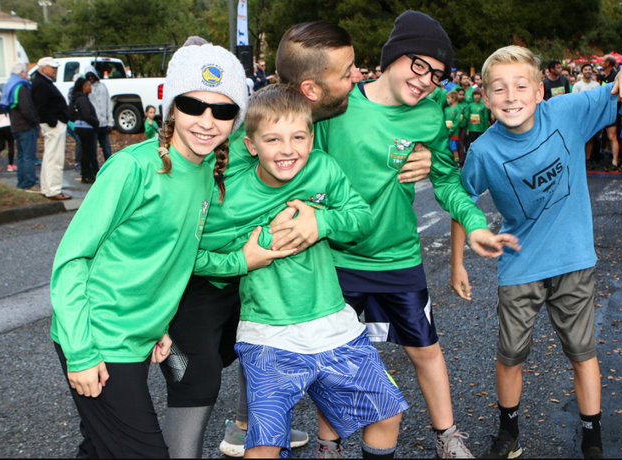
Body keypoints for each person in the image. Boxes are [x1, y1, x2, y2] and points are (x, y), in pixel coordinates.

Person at [160, 22, 433, 459]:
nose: (357, 77)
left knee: (378, 410)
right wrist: (242, 257)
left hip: (319, 315)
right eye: (347, 72)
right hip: (238, 299)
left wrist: (420, 153)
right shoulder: (231, 162)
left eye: (297, 138)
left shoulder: (319, 152)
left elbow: (360, 189)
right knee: (201, 379)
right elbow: (184, 240)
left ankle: (250, 426)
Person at [314, 11, 518, 458]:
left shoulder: (430, 115)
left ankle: (447, 438)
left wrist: (477, 223)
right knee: (335, 359)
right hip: (335, 259)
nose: (427, 80)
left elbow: (448, 181)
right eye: (418, 64)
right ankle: (329, 445)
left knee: (426, 350)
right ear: (391, 57)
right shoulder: (339, 104)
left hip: (398, 258)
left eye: (439, 74)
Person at [50, 36, 248, 458]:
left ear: (237, 119)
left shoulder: (206, 168)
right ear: (172, 106)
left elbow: (169, 257)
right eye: (194, 105)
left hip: (140, 337)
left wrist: (158, 324)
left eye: (224, 110)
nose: (207, 121)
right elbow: (72, 261)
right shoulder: (132, 168)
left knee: (102, 448)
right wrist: (81, 352)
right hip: (99, 337)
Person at [194, 84, 407, 459]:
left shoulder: (323, 168)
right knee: (263, 446)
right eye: (273, 139)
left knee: (387, 414)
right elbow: (189, 254)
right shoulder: (230, 195)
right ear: (251, 145)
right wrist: (241, 261)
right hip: (269, 335)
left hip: (332, 325)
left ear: (311, 138)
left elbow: (362, 219)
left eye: (298, 137)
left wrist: (322, 222)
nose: (288, 149)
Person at [456, 45, 622, 459]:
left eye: (521, 86)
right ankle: (509, 434)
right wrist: (457, 262)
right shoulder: (484, 151)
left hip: (574, 261)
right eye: (500, 89)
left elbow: (620, 88)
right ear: (486, 99)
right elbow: (460, 197)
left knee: (583, 353)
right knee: (509, 356)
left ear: (540, 91)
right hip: (519, 265)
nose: (511, 96)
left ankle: (592, 437)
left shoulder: (567, 112)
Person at [32, 57, 72, 201]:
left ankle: (47, 188)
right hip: (53, 125)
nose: (55, 70)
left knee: (50, 157)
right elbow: (41, 107)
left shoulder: (42, 82)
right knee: (55, 158)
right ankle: (53, 190)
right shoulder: (41, 84)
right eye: (52, 67)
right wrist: (53, 122)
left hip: (53, 123)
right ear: (43, 68)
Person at [1, 62, 40, 192]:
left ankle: (22, 183)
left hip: (16, 126)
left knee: (22, 156)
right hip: (26, 126)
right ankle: (29, 183)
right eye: (26, 73)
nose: (28, 75)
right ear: (21, 73)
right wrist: (35, 122)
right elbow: (26, 108)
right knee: (29, 156)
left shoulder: (9, 85)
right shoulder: (21, 87)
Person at [69, 77, 100, 184]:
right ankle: (86, 174)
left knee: (86, 151)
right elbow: (86, 114)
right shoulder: (82, 99)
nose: (90, 87)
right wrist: (96, 122)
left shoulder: (79, 98)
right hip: (85, 127)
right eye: (88, 85)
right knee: (87, 151)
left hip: (83, 126)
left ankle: (87, 173)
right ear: (83, 87)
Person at [573, 63, 601, 169]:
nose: (588, 71)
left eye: (590, 69)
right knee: (579, 139)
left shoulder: (596, 85)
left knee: (591, 139)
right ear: (582, 72)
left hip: (592, 115)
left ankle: (587, 159)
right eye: (586, 69)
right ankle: (579, 160)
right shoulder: (577, 85)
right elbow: (575, 101)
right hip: (580, 116)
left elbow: (598, 101)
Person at [84, 66, 114, 161]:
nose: (90, 77)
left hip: (104, 123)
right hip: (93, 124)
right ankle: (94, 169)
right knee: (93, 149)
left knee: (107, 148)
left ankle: (109, 165)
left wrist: (110, 121)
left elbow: (108, 103)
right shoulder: (87, 88)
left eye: (92, 75)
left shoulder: (102, 86)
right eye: (88, 76)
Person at [601, 55, 621, 170]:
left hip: (614, 110)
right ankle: (611, 159)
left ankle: (615, 162)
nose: (601, 63)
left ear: (608, 63)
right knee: (609, 136)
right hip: (606, 110)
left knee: (612, 136)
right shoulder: (605, 77)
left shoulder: (615, 76)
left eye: (603, 61)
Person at [465, 88, 489, 160]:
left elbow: (485, 118)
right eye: (475, 94)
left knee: (480, 146)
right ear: (473, 96)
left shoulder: (483, 106)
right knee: (471, 145)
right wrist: (468, 129)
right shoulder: (470, 105)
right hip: (472, 129)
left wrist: (485, 130)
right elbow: (468, 117)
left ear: (481, 95)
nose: (476, 96)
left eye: (478, 94)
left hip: (480, 129)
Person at [445, 90, 461, 163]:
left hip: (453, 133)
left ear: (454, 99)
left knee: (454, 149)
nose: (447, 100)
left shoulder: (457, 109)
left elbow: (456, 121)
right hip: (446, 133)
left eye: (448, 98)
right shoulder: (446, 109)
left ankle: (457, 164)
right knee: (447, 149)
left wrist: (451, 130)